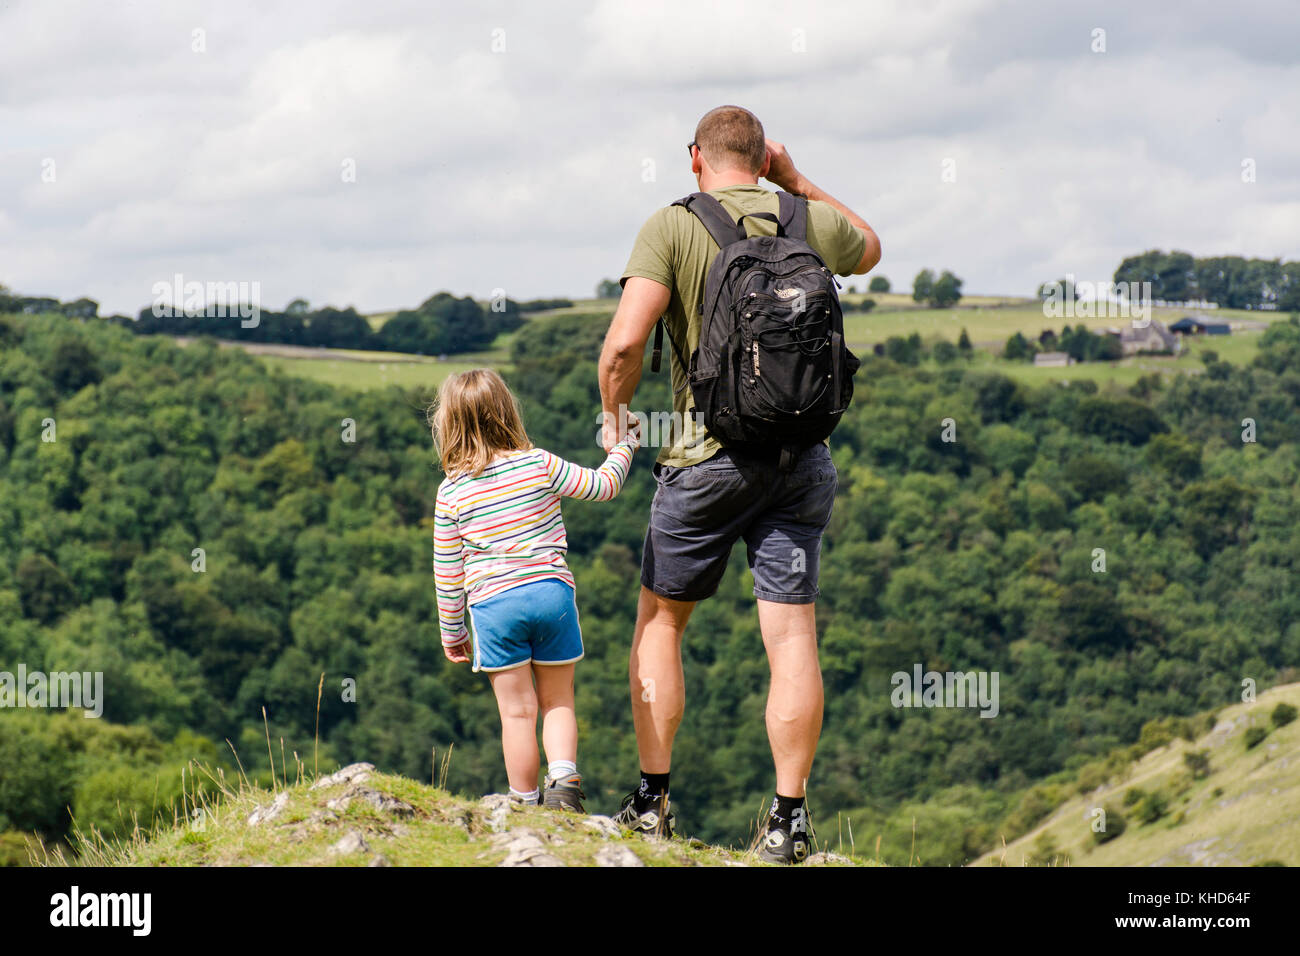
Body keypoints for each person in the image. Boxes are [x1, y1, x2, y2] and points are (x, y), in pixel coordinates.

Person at [597, 105, 881, 862]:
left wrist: (613, 419)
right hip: (801, 458)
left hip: (705, 462)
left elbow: (626, 342)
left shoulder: (672, 226)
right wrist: (796, 179)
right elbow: (873, 250)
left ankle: (652, 803)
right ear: (762, 157)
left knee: (661, 625)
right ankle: (788, 822)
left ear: (696, 157)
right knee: (790, 636)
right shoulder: (804, 219)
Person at [432, 368, 640, 811]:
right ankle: (563, 785)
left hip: (493, 608)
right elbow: (603, 486)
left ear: (447, 424)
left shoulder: (450, 494)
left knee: (517, 713)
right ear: (507, 411)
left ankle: (524, 803)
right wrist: (625, 446)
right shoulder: (538, 463)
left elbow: (448, 575)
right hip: (551, 596)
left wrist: (454, 633)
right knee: (558, 699)